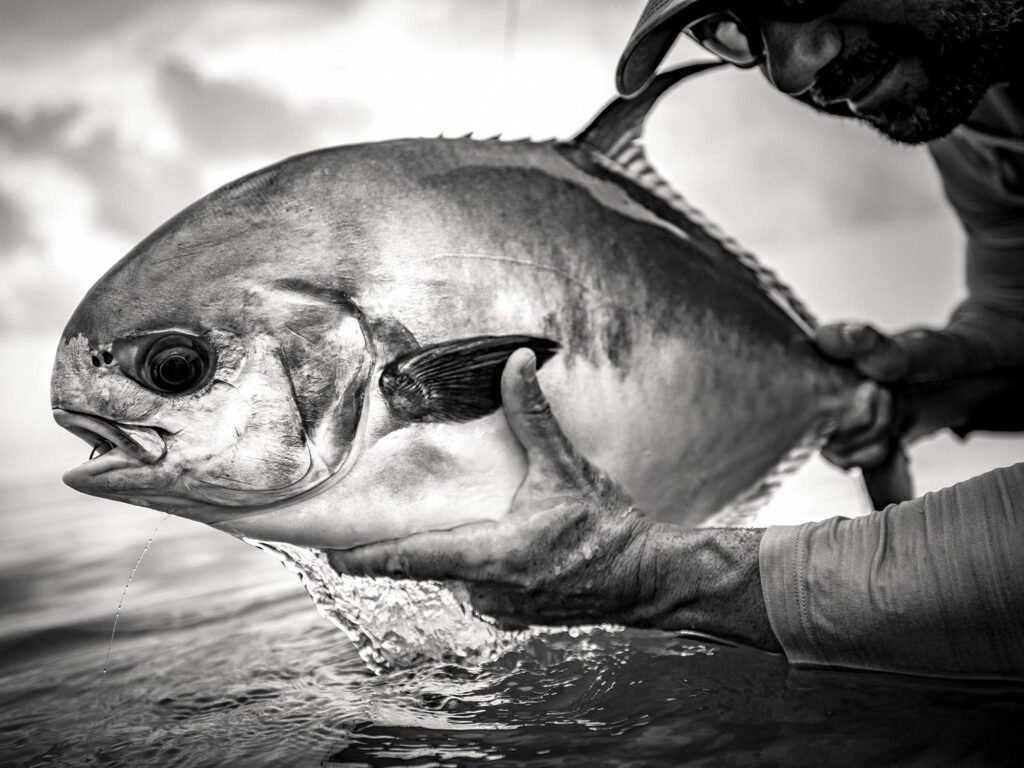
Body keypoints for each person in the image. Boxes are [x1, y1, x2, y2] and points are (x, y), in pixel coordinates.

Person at [330, 0, 1024, 678]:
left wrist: (650, 576)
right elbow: (1013, 314)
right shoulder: (986, 114)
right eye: (732, 25)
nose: (791, 69)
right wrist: (934, 386)